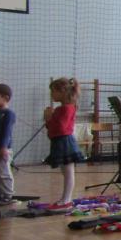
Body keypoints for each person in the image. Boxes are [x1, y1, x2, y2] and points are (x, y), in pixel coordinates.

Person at [44, 77, 86, 212]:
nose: (51, 94)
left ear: (62, 91)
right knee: (65, 171)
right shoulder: (62, 108)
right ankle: (65, 199)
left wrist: (49, 118)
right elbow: (52, 128)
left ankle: (66, 200)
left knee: (68, 172)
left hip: (65, 142)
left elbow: (61, 128)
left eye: (53, 91)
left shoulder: (66, 108)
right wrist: (49, 119)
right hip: (59, 141)